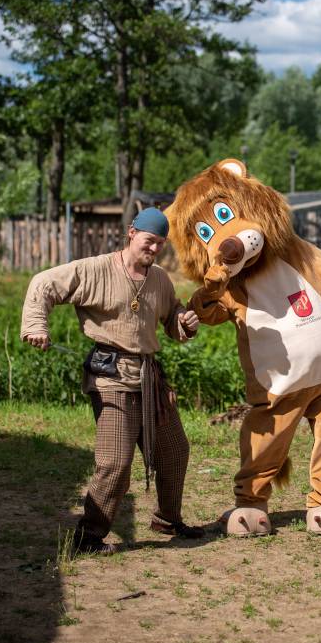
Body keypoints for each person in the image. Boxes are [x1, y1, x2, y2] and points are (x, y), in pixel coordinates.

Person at [21, 207, 204, 553]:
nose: (153, 250)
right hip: (110, 378)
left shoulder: (161, 279)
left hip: (150, 380)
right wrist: (35, 326)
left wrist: (184, 321)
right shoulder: (94, 270)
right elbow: (43, 284)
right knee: (115, 462)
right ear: (132, 233)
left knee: (174, 451)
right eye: (149, 241)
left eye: (160, 245)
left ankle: (167, 517)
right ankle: (89, 536)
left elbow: (171, 318)